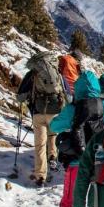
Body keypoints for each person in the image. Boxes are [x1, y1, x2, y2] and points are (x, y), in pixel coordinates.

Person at [48, 71, 104, 207]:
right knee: (100, 204)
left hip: (77, 163)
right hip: (99, 163)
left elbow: (54, 126)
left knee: (69, 201)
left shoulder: (73, 108)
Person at [16, 52, 66, 186]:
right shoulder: (56, 72)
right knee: (53, 134)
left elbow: (20, 96)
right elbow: (66, 91)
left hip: (38, 111)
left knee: (40, 144)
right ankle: (52, 156)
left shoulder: (32, 73)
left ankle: (40, 175)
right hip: (55, 110)